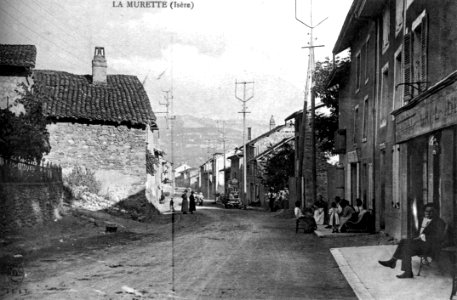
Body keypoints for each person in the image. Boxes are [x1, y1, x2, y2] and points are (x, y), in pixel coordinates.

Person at [378, 203, 446, 278]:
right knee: (404, 241)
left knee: (406, 247)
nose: (428, 213)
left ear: (435, 211)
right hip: (422, 244)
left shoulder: (439, 222)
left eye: (431, 211)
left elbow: (437, 238)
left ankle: (396, 264)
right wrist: (417, 237)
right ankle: (395, 263)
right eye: (426, 211)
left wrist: (423, 237)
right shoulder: (425, 220)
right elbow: (420, 233)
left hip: (430, 247)